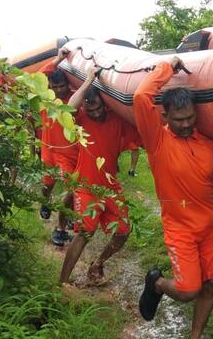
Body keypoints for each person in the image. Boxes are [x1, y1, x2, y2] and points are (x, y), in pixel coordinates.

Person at [134, 57, 213, 339]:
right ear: (164, 116)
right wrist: (167, 67)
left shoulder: (207, 144)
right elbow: (141, 96)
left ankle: (195, 336)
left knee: (210, 285)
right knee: (188, 289)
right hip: (180, 227)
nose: (187, 124)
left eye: (191, 117)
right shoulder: (156, 141)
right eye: (179, 119)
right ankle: (156, 285)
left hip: (211, 226)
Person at [58, 66, 142, 286]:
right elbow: (68, 108)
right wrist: (88, 81)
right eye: (90, 108)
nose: (95, 113)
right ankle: (62, 282)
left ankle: (98, 264)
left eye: (98, 108)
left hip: (110, 186)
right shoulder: (82, 118)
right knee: (85, 232)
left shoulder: (117, 118)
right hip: (86, 185)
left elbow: (140, 120)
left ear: (105, 103)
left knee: (123, 232)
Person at [38, 48, 78, 246]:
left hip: (68, 155)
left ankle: (60, 229)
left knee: (72, 190)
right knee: (48, 185)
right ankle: (45, 202)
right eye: (55, 86)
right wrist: (58, 59)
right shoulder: (46, 99)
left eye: (62, 86)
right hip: (48, 150)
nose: (59, 90)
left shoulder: (73, 99)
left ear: (67, 84)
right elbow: (39, 76)